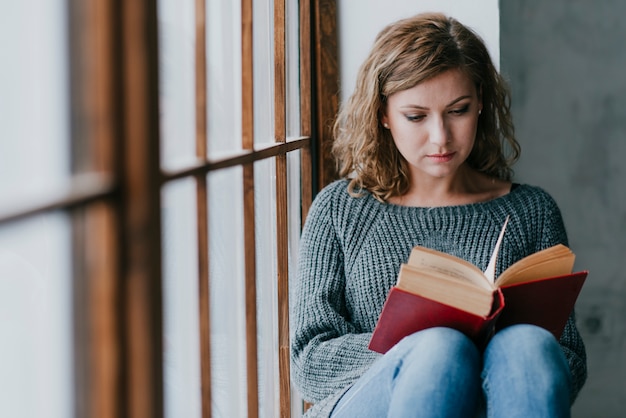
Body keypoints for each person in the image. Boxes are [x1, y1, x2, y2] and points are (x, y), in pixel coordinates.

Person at [290, 12, 587, 418]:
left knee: (528, 346)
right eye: (416, 116)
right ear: (383, 115)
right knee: (441, 348)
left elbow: (567, 356)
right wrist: (429, 348)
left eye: (458, 110)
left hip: (496, 400)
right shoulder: (341, 209)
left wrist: (492, 356)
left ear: (480, 103)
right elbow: (310, 361)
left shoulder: (531, 211)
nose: (440, 137)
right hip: (370, 402)